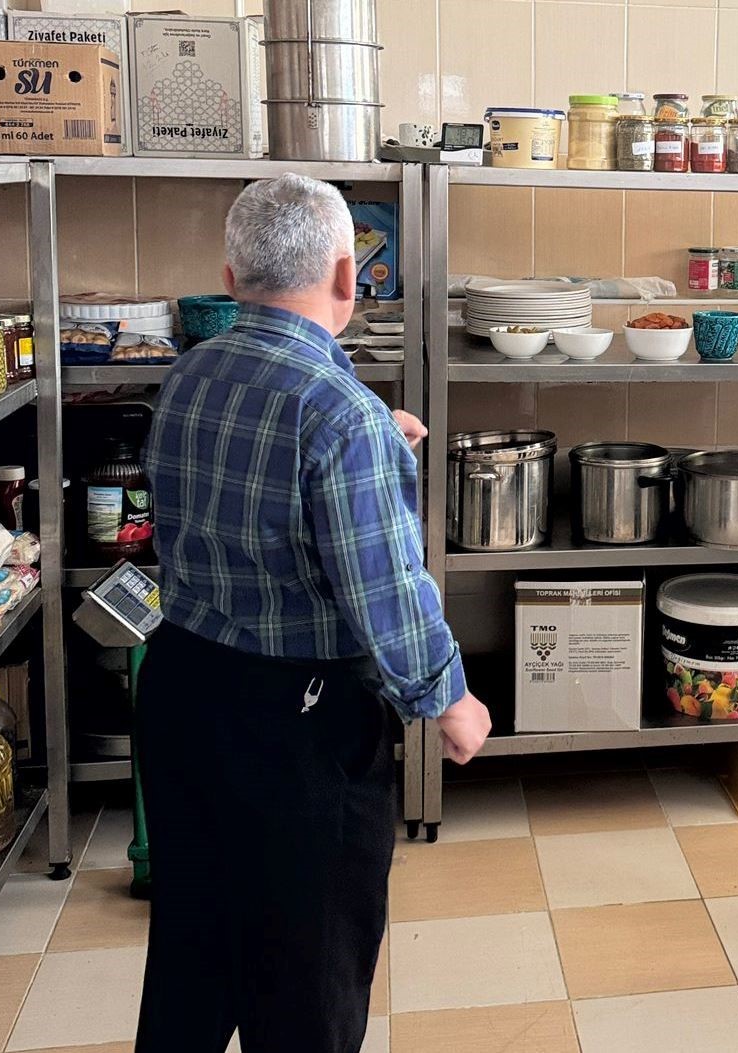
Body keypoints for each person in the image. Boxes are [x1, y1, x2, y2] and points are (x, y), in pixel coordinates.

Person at [135, 174, 491, 1052]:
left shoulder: (190, 372)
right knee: (309, 980)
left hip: (182, 687)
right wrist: (447, 697)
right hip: (295, 724)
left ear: (232, 276)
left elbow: (224, 497)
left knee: (193, 952)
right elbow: (384, 587)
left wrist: (373, 444)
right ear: (346, 274)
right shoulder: (340, 413)